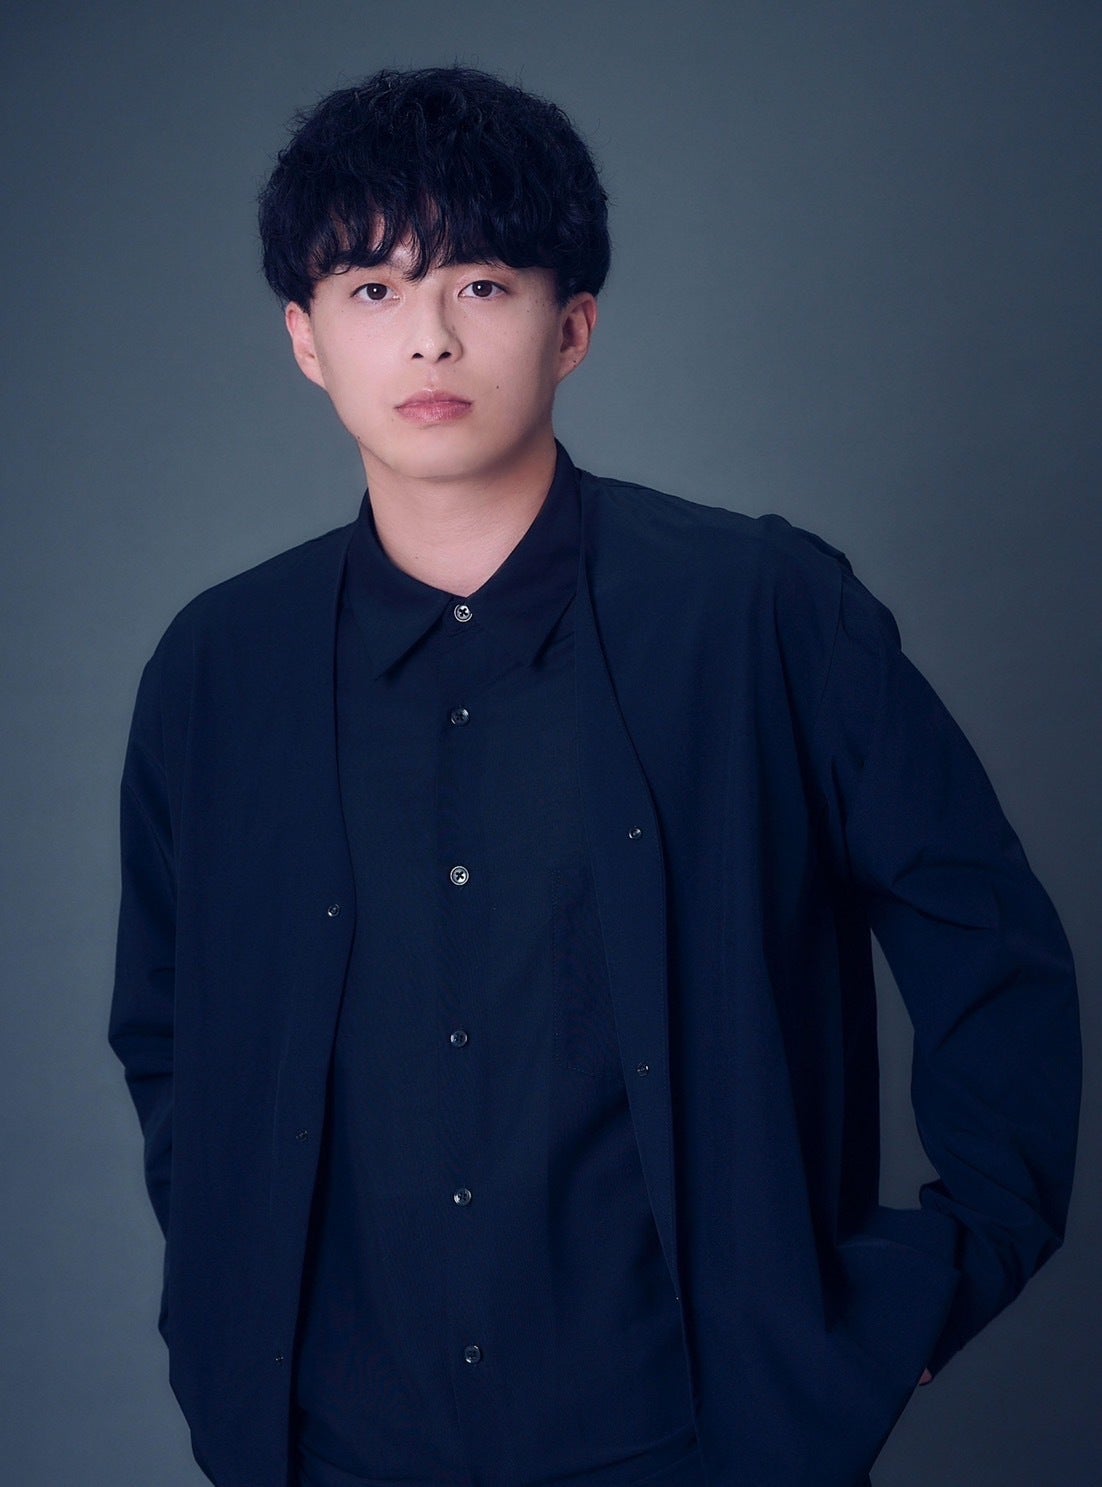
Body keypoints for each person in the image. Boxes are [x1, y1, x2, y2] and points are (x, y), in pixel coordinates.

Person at [108, 65, 1081, 1487]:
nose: (429, 337)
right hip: (331, 1449)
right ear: (306, 340)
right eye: (373, 288)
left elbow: (990, 947)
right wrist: (232, 1305)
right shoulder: (216, 669)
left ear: (572, 327)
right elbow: (169, 1036)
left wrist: (929, 1288)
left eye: (482, 284)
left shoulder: (763, 614)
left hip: (694, 1444)